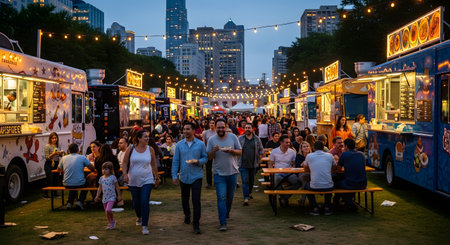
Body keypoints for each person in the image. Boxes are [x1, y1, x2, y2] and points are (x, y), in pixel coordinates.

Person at [172, 122, 208, 234]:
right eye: (184, 129)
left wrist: (198, 161)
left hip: (197, 175)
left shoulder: (200, 144)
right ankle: (187, 215)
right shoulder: (179, 145)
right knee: (185, 199)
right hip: (183, 176)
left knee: (196, 200)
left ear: (193, 130)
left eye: (188, 129)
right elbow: (176, 161)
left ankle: (196, 223)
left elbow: (205, 158)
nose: (185, 131)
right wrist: (174, 175)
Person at [206, 119, 242, 231]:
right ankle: (223, 222)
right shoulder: (212, 140)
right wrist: (214, 151)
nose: (221, 129)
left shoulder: (233, 137)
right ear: (215, 128)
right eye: (219, 127)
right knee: (221, 197)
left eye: (223, 127)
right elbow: (209, 157)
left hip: (233, 172)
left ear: (226, 127)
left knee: (229, 197)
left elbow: (240, 151)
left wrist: (231, 151)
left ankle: (226, 213)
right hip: (219, 174)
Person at [122, 130, 160, 235]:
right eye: (145, 137)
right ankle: (139, 216)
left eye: (148, 137)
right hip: (133, 179)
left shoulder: (150, 149)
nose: (147, 138)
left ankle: (145, 226)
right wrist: (125, 174)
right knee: (136, 203)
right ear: (139, 138)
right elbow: (124, 162)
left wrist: (156, 177)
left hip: (147, 179)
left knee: (144, 201)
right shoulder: (131, 148)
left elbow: (153, 164)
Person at [57, 143, 95, 210]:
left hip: (66, 183)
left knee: (73, 182)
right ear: (78, 150)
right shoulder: (82, 157)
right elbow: (92, 168)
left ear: (68, 150)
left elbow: (58, 170)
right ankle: (80, 201)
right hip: (79, 183)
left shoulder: (64, 158)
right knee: (86, 183)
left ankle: (70, 203)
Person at [303, 141, 336, 216]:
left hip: (314, 186)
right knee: (328, 183)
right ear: (323, 148)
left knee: (306, 186)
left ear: (314, 148)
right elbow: (334, 167)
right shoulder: (330, 156)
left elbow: (305, 169)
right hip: (328, 186)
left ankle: (315, 208)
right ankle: (327, 208)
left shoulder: (309, 156)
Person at [268, 135, 301, 207]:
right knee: (276, 181)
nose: (288, 144)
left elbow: (294, 163)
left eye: (289, 142)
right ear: (281, 143)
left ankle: (284, 197)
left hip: (289, 173)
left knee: (298, 182)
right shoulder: (274, 151)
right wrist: (271, 173)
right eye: (286, 142)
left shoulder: (292, 152)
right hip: (278, 173)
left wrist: (293, 170)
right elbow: (270, 163)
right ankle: (284, 198)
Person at [335, 138, 367, 209]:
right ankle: (348, 202)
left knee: (336, 184)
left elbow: (338, 169)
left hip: (351, 183)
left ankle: (344, 202)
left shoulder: (344, 154)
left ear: (346, 146)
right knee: (347, 180)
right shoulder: (361, 154)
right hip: (363, 183)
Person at [238, 124, 264, 206]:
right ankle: (246, 198)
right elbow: (236, 148)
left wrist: (261, 157)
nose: (247, 129)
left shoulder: (257, 139)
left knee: (251, 180)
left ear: (252, 129)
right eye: (246, 128)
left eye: (249, 128)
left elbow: (261, 150)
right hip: (243, 164)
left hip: (253, 164)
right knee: (245, 180)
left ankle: (249, 193)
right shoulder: (240, 139)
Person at [95, 162, 123, 230]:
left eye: (106, 169)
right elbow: (100, 188)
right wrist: (97, 196)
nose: (104, 170)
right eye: (103, 169)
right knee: (106, 212)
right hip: (104, 197)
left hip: (112, 197)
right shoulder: (101, 178)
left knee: (108, 210)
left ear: (110, 170)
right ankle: (110, 223)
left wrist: (119, 195)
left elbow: (117, 187)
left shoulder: (113, 177)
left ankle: (112, 220)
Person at [43, 132, 64, 198]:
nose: (54, 139)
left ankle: (54, 193)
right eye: (53, 138)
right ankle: (45, 194)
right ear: (50, 139)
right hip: (49, 164)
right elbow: (47, 157)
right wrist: (53, 153)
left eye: (55, 138)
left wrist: (60, 153)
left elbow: (60, 156)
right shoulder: (47, 146)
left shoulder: (58, 146)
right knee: (49, 179)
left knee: (56, 179)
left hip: (56, 163)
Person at [202, 120, 217, 188]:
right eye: (210, 123)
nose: (211, 124)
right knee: (208, 168)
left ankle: (217, 182)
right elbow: (204, 142)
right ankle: (209, 183)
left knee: (217, 167)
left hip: (217, 152)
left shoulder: (217, 132)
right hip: (208, 152)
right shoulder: (206, 133)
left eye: (213, 123)